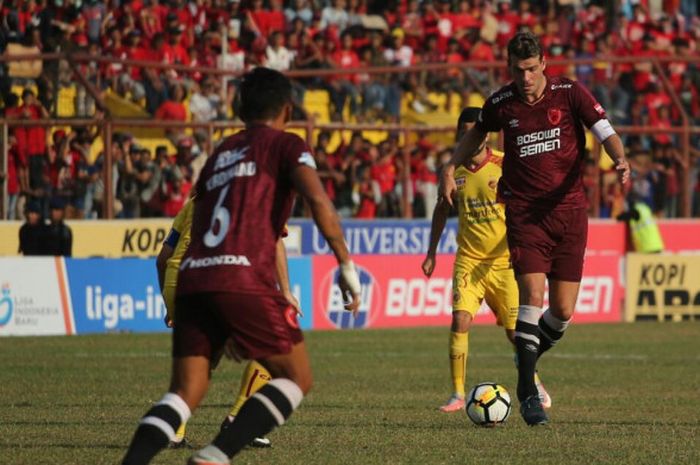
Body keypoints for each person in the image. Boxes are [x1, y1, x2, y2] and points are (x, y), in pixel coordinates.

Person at [122, 67, 361, 465]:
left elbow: (197, 221)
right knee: (296, 377)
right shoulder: (286, 144)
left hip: (195, 277)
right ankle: (215, 456)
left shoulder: (219, 154)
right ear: (288, 108)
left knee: (183, 394)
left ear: (238, 107)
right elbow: (319, 201)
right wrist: (345, 263)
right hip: (241, 275)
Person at [440, 32, 630, 426]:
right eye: (517, 70)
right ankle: (528, 391)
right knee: (532, 296)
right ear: (509, 68)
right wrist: (448, 167)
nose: (524, 77)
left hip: (570, 212)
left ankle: (525, 358)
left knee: (561, 312)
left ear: (543, 63)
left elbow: (603, 129)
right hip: (525, 214)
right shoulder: (500, 103)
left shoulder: (569, 92)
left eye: (530, 69)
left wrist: (620, 159)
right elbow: (476, 132)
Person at [423, 107, 550, 413]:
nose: (471, 135)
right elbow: (442, 210)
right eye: (465, 130)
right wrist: (431, 252)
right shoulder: (453, 171)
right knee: (460, 319)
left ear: (488, 133)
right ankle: (456, 394)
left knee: (515, 333)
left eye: (475, 130)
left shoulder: (505, 164)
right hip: (469, 259)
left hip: (504, 262)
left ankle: (534, 383)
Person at [155, 195, 299, 448]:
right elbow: (274, 240)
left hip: (177, 282)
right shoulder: (255, 192)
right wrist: (285, 291)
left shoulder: (194, 200)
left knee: (204, 355)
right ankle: (239, 419)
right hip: (214, 280)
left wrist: (169, 303)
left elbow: (163, 257)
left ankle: (174, 430)